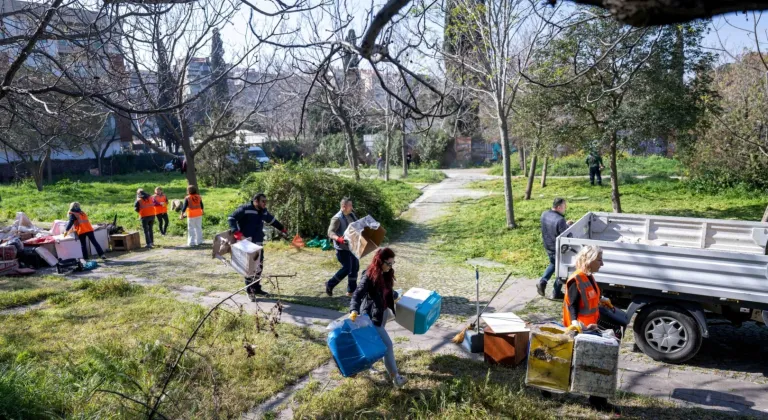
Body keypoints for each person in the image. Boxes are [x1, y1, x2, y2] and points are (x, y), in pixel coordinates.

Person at [562, 245, 615, 411]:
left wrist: (602, 299)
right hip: (580, 329)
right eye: (599, 260)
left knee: (587, 362)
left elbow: (591, 296)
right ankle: (598, 401)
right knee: (595, 361)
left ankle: (596, 400)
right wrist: (574, 323)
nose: (602, 264)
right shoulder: (576, 279)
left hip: (591, 328)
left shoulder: (589, 277)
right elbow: (571, 305)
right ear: (589, 260)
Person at [349, 247, 407, 387]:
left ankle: (356, 368)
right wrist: (353, 310)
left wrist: (396, 295)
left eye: (393, 263)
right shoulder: (369, 275)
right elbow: (357, 294)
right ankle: (396, 378)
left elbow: (386, 291)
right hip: (371, 318)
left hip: (382, 314)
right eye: (389, 263)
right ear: (380, 261)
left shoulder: (386, 273)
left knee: (374, 344)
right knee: (387, 345)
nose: (391, 266)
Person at [228, 193, 288, 301]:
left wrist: (282, 228)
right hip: (247, 243)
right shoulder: (245, 209)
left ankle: (256, 288)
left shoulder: (263, 211)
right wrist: (236, 233)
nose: (265, 203)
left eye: (266, 201)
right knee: (250, 267)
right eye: (263, 201)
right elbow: (231, 218)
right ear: (256, 201)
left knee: (259, 266)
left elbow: (272, 220)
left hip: (258, 242)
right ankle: (249, 291)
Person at [537, 198, 572, 299]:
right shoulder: (560, 220)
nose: (565, 208)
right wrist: (568, 225)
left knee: (553, 263)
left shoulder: (545, 214)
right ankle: (556, 292)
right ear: (559, 207)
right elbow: (564, 236)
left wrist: (565, 224)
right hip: (557, 248)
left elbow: (552, 229)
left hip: (548, 245)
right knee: (562, 269)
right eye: (564, 206)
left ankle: (543, 282)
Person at [325, 197, 359, 297]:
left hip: (352, 246)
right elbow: (330, 233)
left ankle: (351, 291)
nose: (352, 207)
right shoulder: (337, 218)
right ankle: (330, 284)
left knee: (355, 267)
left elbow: (357, 225)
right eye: (350, 206)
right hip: (342, 248)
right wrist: (338, 239)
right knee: (347, 268)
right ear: (344, 207)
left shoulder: (351, 215)